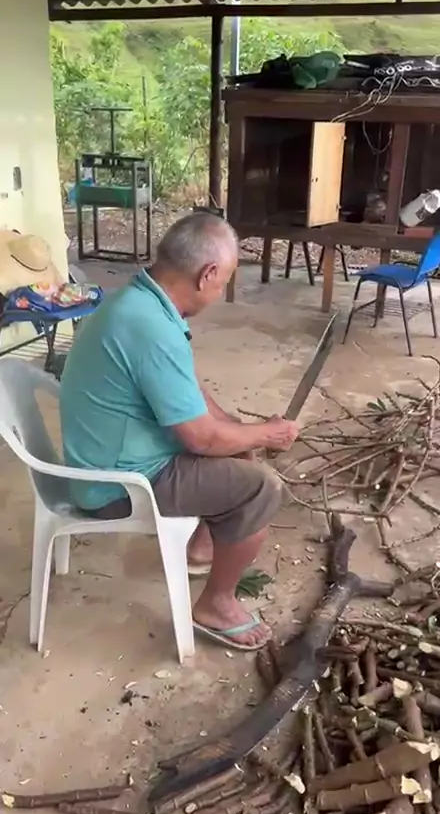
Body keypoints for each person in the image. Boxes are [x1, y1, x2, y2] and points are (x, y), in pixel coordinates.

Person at [60, 212, 298, 650]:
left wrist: (241, 432)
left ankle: (202, 548)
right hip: (115, 485)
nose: (221, 290)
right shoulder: (149, 326)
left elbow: (188, 393)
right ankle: (216, 605)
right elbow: (200, 438)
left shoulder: (141, 302)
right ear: (207, 274)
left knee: (235, 444)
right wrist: (266, 435)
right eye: (224, 280)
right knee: (261, 488)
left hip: (113, 456)